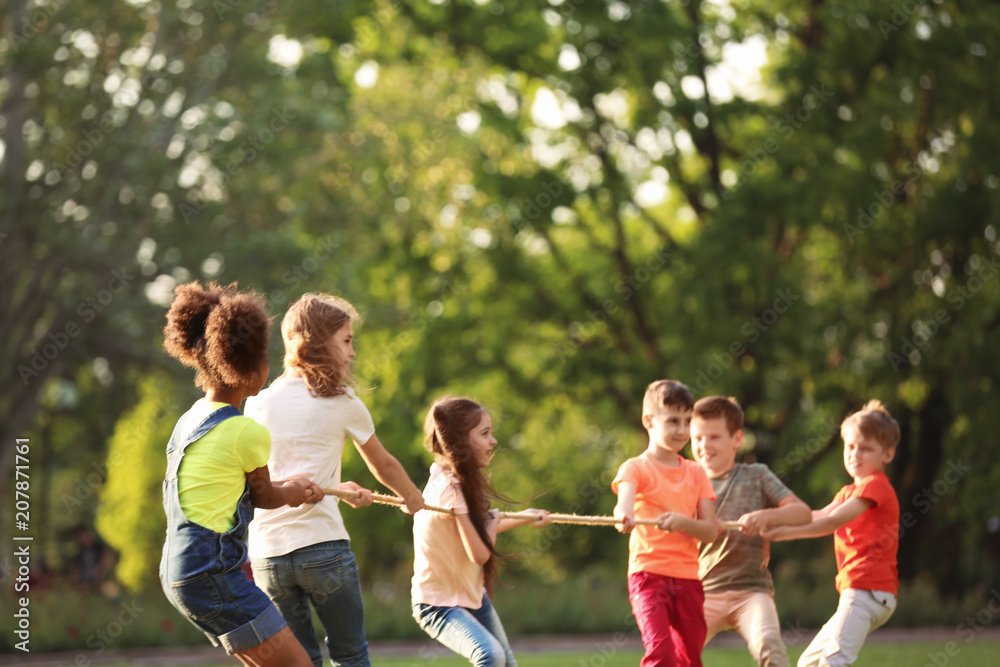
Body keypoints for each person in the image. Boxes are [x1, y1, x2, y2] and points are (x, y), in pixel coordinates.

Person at [246, 293, 426, 667]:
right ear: (317, 343)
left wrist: (340, 490)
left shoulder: (257, 403)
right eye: (346, 340)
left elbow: (265, 476)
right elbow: (384, 465)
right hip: (323, 550)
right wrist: (413, 499)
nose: (353, 352)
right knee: (351, 655)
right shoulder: (342, 401)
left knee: (301, 662)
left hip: (268, 556)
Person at [160, 281, 324, 667]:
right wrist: (297, 491)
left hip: (178, 570)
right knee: (299, 664)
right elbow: (266, 497)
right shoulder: (246, 431)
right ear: (250, 369)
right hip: (212, 574)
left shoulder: (189, 420)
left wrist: (290, 487)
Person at [411, 397, 550, 667]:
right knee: (490, 655)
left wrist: (525, 517)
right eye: (485, 434)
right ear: (459, 442)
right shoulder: (449, 490)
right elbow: (479, 553)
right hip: (438, 605)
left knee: (507, 663)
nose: (493, 441)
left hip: (469, 593)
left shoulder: (447, 478)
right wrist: (493, 520)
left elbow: (476, 531)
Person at [764, 400, 901, 666]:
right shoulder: (848, 492)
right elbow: (818, 515)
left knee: (834, 662)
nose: (855, 454)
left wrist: (786, 534)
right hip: (857, 594)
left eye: (866, 449)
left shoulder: (876, 486)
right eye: (850, 447)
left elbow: (833, 521)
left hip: (867, 592)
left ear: (887, 455)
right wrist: (774, 522)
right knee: (809, 663)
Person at [691, 396, 811, 667]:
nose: (703, 445)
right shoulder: (689, 481)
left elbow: (801, 512)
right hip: (703, 592)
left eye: (714, 437)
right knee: (678, 650)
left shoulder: (756, 475)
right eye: (697, 438)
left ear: (736, 439)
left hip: (751, 592)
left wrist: (765, 516)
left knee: (769, 643)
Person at [612, 379, 719, 667]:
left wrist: (684, 522)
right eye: (673, 421)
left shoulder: (696, 473)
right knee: (661, 654)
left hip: (688, 579)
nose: (682, 430)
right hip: (648, 576)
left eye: (687, 421)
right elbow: (623, 506)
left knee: (690, 659)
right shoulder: (635, 468)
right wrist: (624, 517)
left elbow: (710, 530)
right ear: (649, 421)